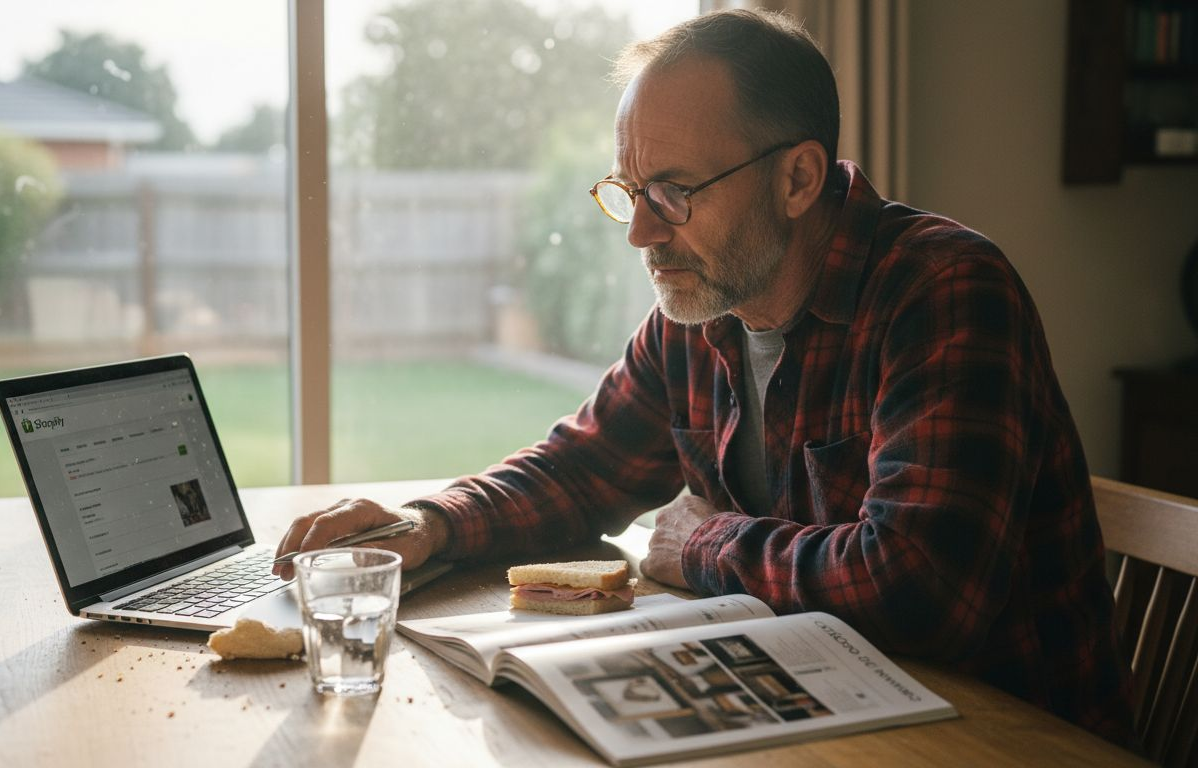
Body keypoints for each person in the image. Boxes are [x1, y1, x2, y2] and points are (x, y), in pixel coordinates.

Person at [274, 8, 1132, 743]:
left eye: (675, 193)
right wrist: (429, 524)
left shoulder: (944, 291)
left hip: (998, 739)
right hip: (819, 720)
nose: (641, 234)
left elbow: (920, 588)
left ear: (798, 177)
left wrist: (704, 543)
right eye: (630, 190)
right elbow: (584, 469)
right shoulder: (703, 310)